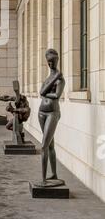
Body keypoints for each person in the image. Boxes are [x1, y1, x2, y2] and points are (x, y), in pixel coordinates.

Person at [37, 48, 65, 187]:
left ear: (57, 60)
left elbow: (57, 96)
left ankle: (43, 179)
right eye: (48, 62)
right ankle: (53, 174)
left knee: (44, 146)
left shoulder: (61, 80)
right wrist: (53, 78)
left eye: (53, 62)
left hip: (53, 113)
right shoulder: (52, 78)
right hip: (41, 113)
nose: (51, 64)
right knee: (51, 145)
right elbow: (40, 92)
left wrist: (45, 92)